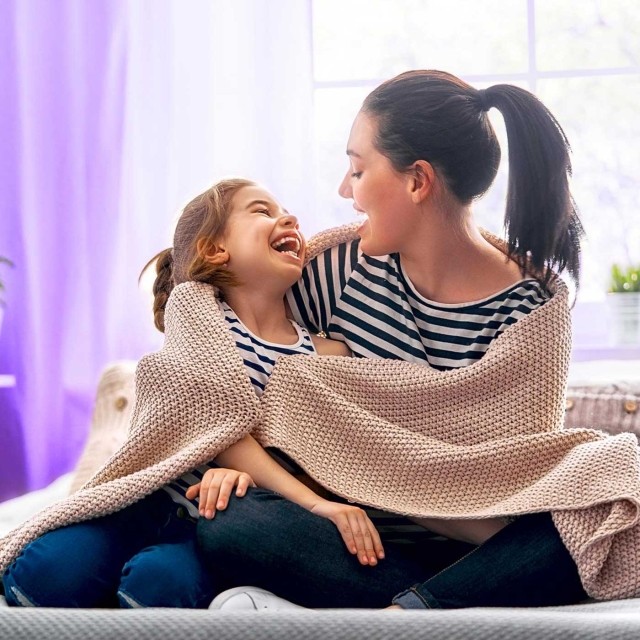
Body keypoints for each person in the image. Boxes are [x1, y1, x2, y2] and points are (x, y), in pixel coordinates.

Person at [197, 70, 589, 610]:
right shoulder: (337, 270)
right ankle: (425, 611)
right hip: (356, 548)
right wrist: (234, 456)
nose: (344, 190)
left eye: (358, 170)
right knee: (233, 524)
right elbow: (228, 358)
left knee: (604, 505)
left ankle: (408, 614)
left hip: (480, 555)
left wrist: (386, 472)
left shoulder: (533, 311)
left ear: (417, 181)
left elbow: (510, 488)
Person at [1, 178, 384, 609]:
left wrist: (262, 489)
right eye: (262, 211)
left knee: (157, 587)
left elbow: (334, 455)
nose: (288, 219)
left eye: (285, 211)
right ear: (214, 250)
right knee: (42, 576)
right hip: (147, 500)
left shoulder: (327, 353)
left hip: (216, 521)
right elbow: (213, 419)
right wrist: (304, 500)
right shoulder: (196, 312)